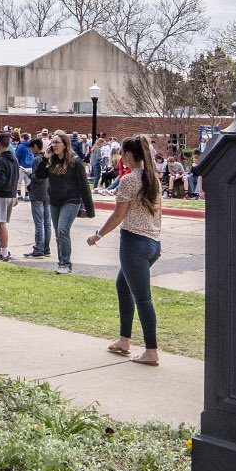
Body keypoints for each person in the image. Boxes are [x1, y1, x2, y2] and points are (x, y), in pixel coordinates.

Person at [87, 134, 163, 365]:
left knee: (143, 298)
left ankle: (151, 351)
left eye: (123, 154)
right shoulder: (153, 179)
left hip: (134, 244)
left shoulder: (130, 180)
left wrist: (98, 234)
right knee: (123, 286)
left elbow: (118, 215)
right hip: (152, 243)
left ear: (128, 155)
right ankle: (124, 340)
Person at [34, 131, 93, 274]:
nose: (53, 145)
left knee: (63, 230)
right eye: (52, 142)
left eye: (57, 142)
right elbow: (39, 175)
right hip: (54, 201)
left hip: (71, 200)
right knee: (58, 233)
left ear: (65, 145)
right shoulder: (51, 160)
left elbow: (84, 185)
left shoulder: (75, 161)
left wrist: (89, 209)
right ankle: (61, 262)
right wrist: (44, 158)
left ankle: (66, 264)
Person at [0, 131, 20, 262]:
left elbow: (0, 179)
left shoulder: (0, 160)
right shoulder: (14, 159)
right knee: (2, 223)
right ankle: (3, 251)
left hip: (1, 195)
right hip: (11, 193)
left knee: (1, 224)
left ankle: (5, 252)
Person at [24, 135, 52, 258]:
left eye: (31, 148)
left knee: (39, 222)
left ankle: (39, 248)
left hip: (37, 193)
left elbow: (37, 177)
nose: (30, 151)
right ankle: (46, 248)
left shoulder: (37, 160)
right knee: (47, 222)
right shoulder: (49, 158)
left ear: (35, 147)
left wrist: (29, 174)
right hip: (47, 192)